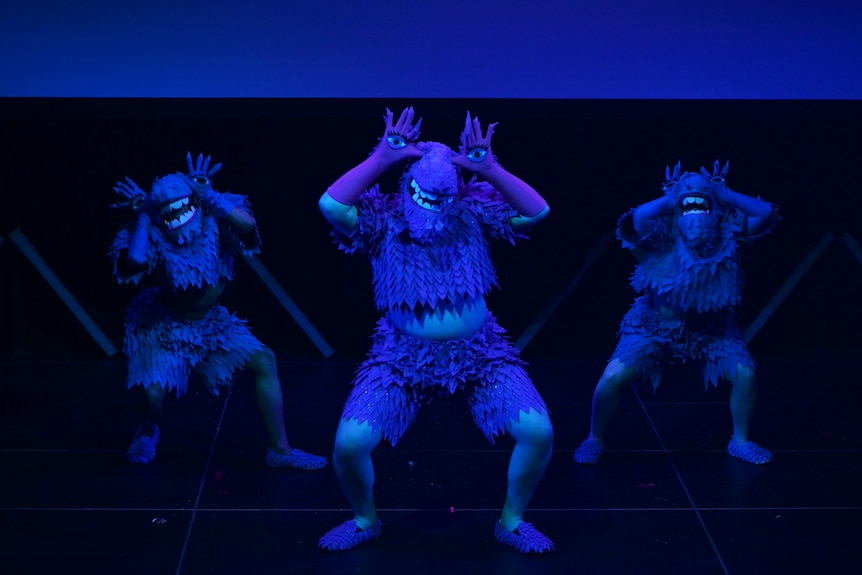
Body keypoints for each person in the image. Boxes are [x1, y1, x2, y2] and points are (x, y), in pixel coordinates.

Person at [317, 108, 555, 553]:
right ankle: (365, 520)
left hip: (481, 356)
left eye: (442, 194)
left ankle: (513, 521)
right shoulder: (381, 221)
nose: (432, 199)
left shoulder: (473, 215)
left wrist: (490, 169)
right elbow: (331, 205)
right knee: (349, 444)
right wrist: (381, 159)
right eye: (423, 191)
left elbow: (538, 212)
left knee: (538, 432)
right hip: (400, 359)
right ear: (407, 185)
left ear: (456, 192)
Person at [109, 152, 326, 471]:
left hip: (211, 324)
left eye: (183, 204)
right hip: (164, 326)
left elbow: (248, 225)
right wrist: (143, 214)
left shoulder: (216, 215)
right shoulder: (153, 230)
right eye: (165, 210)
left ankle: (280, 449)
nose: (176, 214)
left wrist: (208, 194)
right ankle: (146, 430)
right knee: (153, 397)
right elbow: (137, 260)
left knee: (264, 359)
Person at [574, 160, 779, 465]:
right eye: (687, 189)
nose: (694, 190)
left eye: (702, 190)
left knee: (746, 376)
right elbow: (641, 215)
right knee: (612, 378)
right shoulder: (662, 234)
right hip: (654, 325)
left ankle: (740, 440)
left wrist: (724, 193)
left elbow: (764, 213)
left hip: (712, 330)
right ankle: (594, 438)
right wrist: (674, 198)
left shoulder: (729, 233)